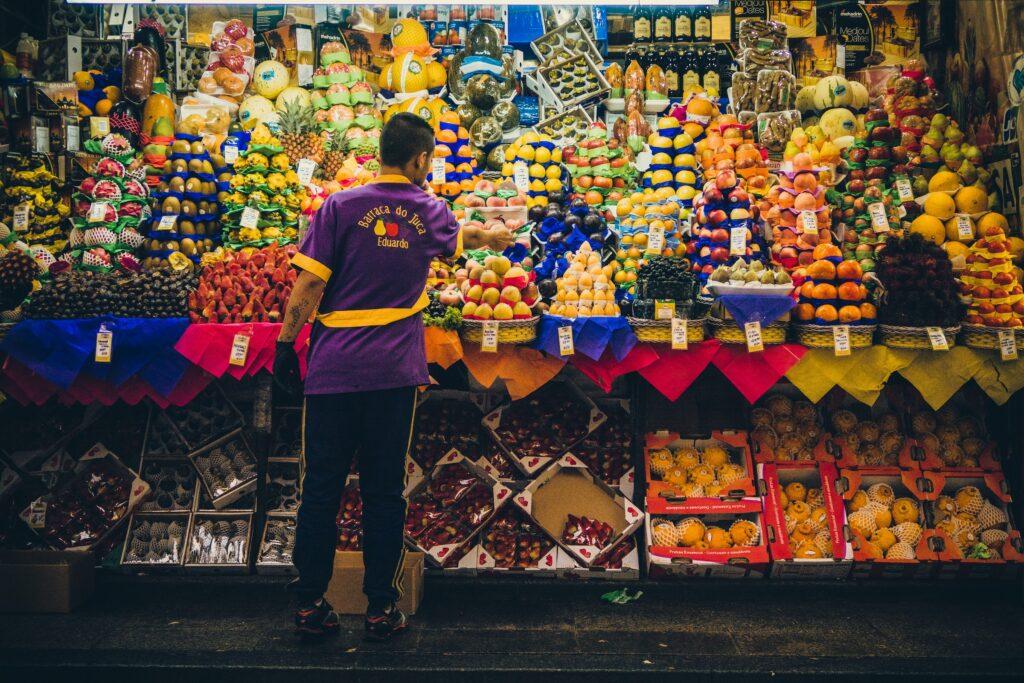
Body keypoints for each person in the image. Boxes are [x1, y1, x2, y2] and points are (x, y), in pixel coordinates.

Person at [274, 113, 514, 641]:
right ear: (421, 159)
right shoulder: (430, 212)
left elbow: (307, 290)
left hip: (333, 370)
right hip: (392, 375)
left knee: (320, 490)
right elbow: (461, 241)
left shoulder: (338, 206)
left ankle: (310, 604)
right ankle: (381, 608)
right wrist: (495, 238)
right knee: (385, 492)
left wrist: (284, 348)